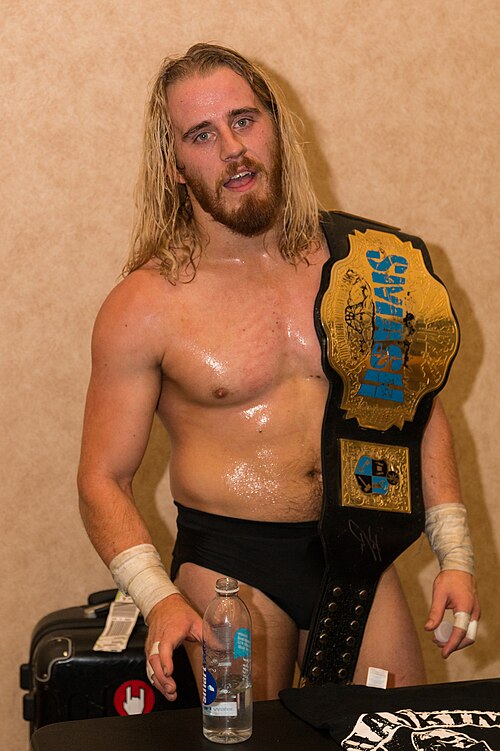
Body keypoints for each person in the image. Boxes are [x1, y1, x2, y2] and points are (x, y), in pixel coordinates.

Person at [77, 43, 479, 702]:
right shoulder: (145, 305)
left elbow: (414, 410)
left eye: (245, 119)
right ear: (175, 164)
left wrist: (455, 553)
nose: (232, 147)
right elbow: (101, 478)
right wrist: (159, 598)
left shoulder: (371, 266)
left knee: (394, 735)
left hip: (358, 554)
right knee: (242, 742)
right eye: (202, 134)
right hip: (231, 570)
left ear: (276, 127)